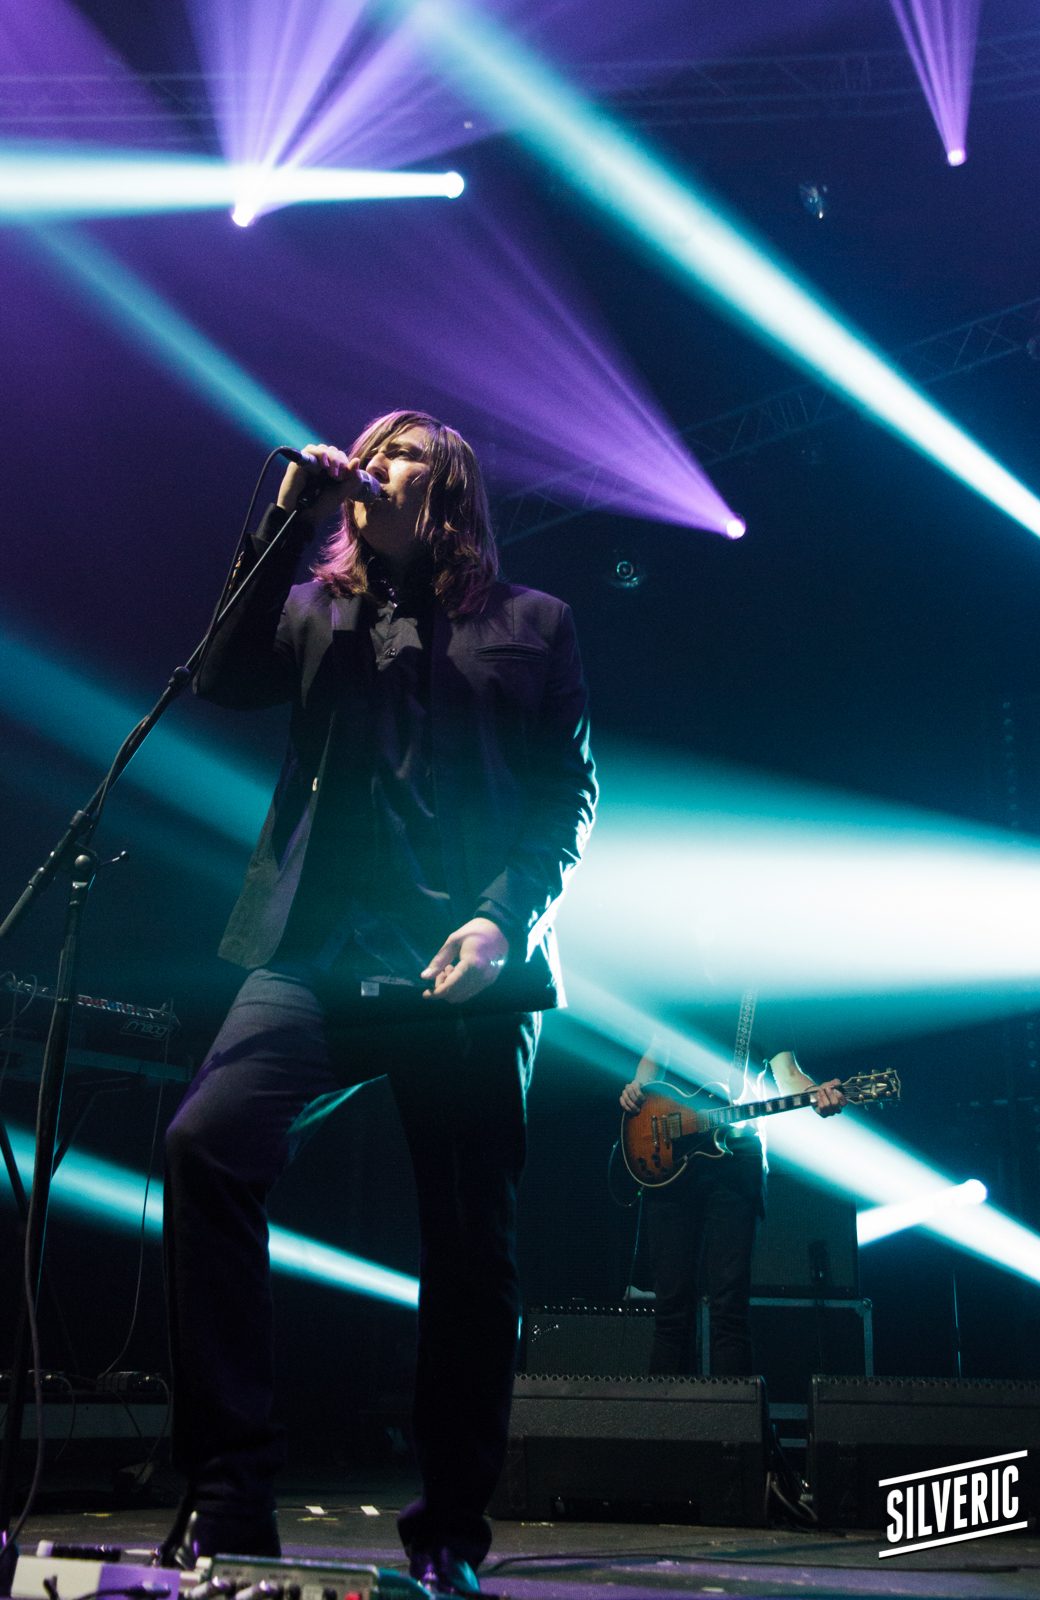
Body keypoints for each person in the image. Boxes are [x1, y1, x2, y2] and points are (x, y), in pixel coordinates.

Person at [160, 411, 597, 1597]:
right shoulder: (314, 611)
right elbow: (218, 677)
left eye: (399, 452)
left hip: (464, 976)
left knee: (467, 1249)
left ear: (445, 490)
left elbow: (565, 800)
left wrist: (503, 919)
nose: (371, 463)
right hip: (318, 953)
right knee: (204, 1144)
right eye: (369, 449)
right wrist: (278, 524)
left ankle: (449, 1528)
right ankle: (228, 1494)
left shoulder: (533, 624)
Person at [619, 1034, 845, 1377]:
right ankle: (667, 1410)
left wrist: (817, 1092)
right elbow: (657, 1052)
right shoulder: (680, 999)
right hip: (672, 1152)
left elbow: (788, 1074)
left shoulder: (757, 1005)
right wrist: (638, 1088)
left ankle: (732, 1411)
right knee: (670, 1309)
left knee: (729, 1307)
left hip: (736, 1160)